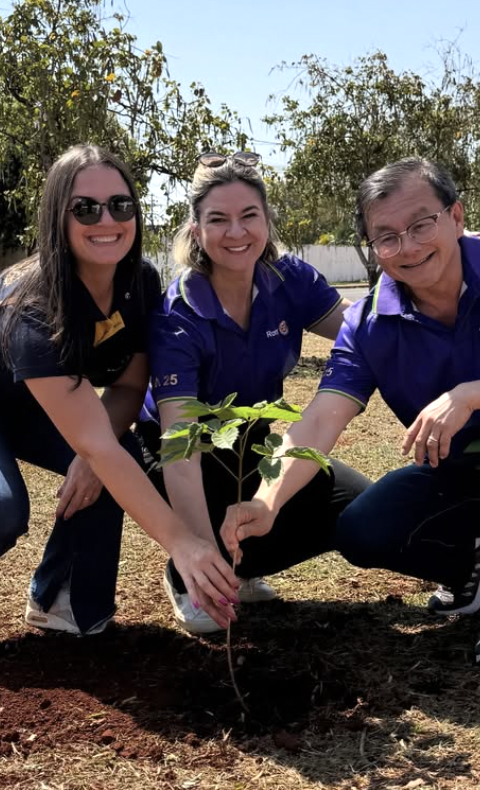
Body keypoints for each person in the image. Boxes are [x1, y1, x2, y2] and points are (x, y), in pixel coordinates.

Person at [221, 157, 480, 668]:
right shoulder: (366, 325)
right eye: (386, 236)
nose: (407, 247)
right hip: (462, 475)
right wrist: (269, 501)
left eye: (421, 224)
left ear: (456, 216)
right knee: (361, 530)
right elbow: (320, 419)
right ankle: (474, 560)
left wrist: (469, 394)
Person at [0, 144, 241, 656]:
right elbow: (99, 442)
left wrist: (92, 453)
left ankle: (60, 602)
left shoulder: (139, 284)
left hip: (41, 403)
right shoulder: (37, 306)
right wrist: (184, 545)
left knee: (109, 463)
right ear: (57, 217)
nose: (106, 220)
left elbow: (128, 388)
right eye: (86, 208)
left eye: (121, 206)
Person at [138, 151, 371, 635]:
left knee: (358, 508)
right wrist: (197, 551)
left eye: (249, 216)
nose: (237, 232)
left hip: (253, 440)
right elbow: (179, 445)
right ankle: (190, 573)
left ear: (267, 220)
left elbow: (362, 328)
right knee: (215, 499)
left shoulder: (289, 280)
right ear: (196, 230)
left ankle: (237, 565)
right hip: (183, 451)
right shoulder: (177, 315)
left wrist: (421, 296)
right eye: (218, 219)